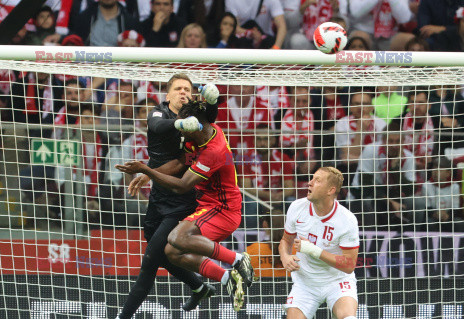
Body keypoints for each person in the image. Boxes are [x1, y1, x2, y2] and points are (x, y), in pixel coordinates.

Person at [116, 100, 255, 312]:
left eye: (183, 127)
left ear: (195, 125)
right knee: (172, 252)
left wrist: (146, 170)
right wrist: (147, 175)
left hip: (223, 209)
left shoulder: (213, 151)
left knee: (175, 238)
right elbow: (181, 163)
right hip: (206, 206)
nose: (180, 132)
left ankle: (237, 260)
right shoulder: (200, 135)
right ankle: (226, 277)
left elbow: (182, 185)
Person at [114, 74, 221, 318]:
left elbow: (207, 123)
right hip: (157, 199)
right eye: (178, 88)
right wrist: (179, 125)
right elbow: (156, 126)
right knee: (158, 251)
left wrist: (213, 102)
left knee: (149, 262)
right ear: (168, 95)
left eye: (188, 89)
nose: (184, 92)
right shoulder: (159, 113)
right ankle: (198, 286)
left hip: (182, 201)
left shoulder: (196, 117)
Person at [279, 166, 359, 319]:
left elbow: (349, 265)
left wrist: (313, 250)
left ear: (330, 190)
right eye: (311, 178)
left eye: (317, 181)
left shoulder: (347, 220)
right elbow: (285, 240)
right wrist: (285, 256)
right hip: (305, 283)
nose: (309, 183)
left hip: (337, 281)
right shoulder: (296, 207)